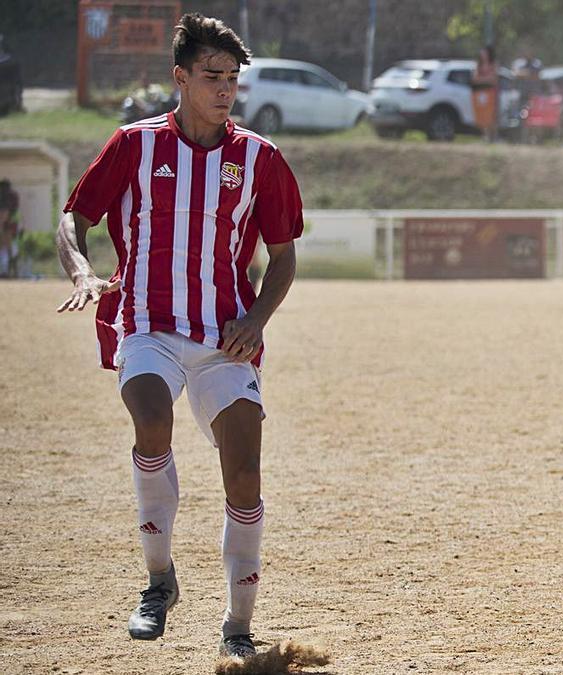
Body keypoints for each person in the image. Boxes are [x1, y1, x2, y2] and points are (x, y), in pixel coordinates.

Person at [54, 13, 303, 662]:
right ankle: (159, 580)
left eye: (232, 78)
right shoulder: (134, 145)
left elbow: (282, 257)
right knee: (152, 418)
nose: (225, 89)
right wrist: (82, 268)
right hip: (146, 323)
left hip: (224, 336)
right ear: (181, 78)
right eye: (212, 76)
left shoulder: (259, 159)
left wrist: (257, 319)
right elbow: (73, 219)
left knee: (245, 469)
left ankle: (237, 624)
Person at [471, 45, 500, 142]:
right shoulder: (478, 65)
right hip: (480, 93)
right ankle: (485, 136)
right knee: (482, 115)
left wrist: (482, 79)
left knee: (491, 115)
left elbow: (494, 79)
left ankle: (493, 137)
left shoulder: (493, 64)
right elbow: (474, 79)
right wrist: (487, 79)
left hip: (491, 93)